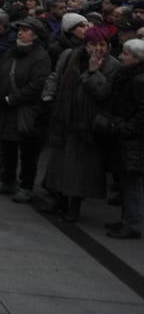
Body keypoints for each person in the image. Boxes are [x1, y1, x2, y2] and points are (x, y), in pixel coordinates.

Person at [40, 26, 119, 222]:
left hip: (89, 124)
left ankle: (74, 206)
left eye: (102, 45)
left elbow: (104, 94)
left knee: (80, 170)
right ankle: (59, 200)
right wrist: (49, 95)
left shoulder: (113, 66)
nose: (97, 49)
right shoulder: (70, 56)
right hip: (65, 118)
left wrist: (93, 72)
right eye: (93, 44)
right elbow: (56, 76)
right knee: (59, 165)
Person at [0, 18, 52, 202]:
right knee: (7, 146)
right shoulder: (11, 52)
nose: (20, 32)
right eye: (20, 29)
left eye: (25, 30)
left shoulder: (41, 56)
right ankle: (8, 181)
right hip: (6, 110)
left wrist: (11, 99)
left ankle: (26, 186)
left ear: (35, 35)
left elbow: (36, 85)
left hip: (26, 111)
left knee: (28, 151)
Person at [97, 39, 144, 239]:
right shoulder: (129, 76)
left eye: (125, 54)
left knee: (131, 184)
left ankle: (131, 223)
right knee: (126, 183)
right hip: (125, 136)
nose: (121, 57)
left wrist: (125, 128)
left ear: (136, 58)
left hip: (131, 140)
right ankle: (127, 219)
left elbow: (141, 112)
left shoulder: (138, 80)